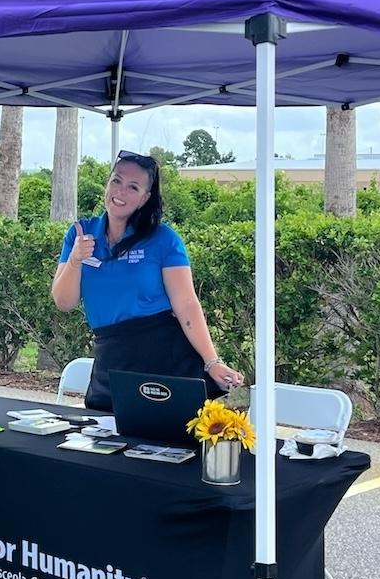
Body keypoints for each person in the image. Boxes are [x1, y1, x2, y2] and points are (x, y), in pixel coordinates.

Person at [51, 150, 244, 412]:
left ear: (145, 198)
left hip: (164, 357)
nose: (120, 192)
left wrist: (212, 362)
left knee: (169, 441)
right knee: (104, 440)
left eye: (133, 187)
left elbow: (186, 304)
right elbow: (64, 302)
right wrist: (75, 260)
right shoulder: (81, 234)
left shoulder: (163, 239)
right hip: (111, 356)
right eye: (116, 181)